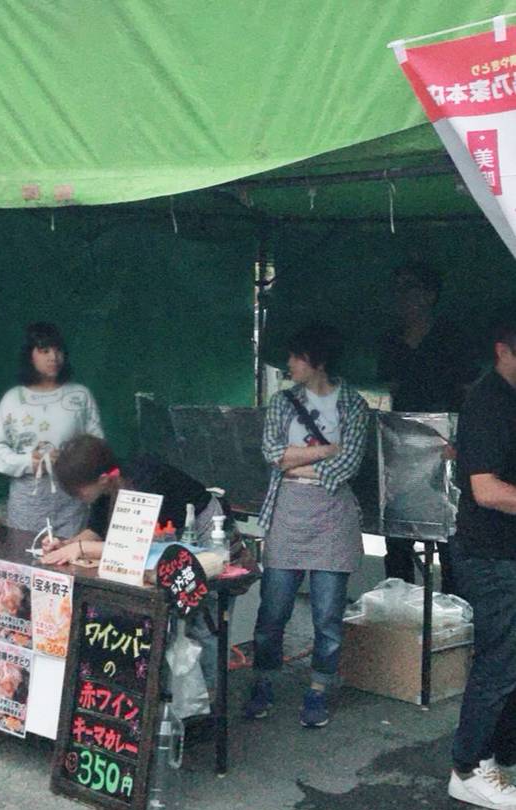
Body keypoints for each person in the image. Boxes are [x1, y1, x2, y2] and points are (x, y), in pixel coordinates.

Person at [245, 321, 369, 728]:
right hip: (287, 512)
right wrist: (327, 450)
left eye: (296, 357)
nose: (290, 364)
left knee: (328, 616)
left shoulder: (353, 404)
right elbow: (273, 454)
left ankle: (319, 688)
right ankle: (263, 680)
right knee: (273, 610)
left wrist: (297, 460)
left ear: (317, 360)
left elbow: (348, 465)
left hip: (332, 516)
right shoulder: (282, 402)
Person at [40, 434, 235, 691]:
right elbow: (96, 531)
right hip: (167, 545)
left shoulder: (145, 480)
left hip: (203, 535)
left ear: (102, 479)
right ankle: (164, 691)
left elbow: (132, 548)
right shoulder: (106, 484)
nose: (75, 497)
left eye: (77, 491)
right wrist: (67, 545)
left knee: (202, 620)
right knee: (172, 624)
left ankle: (207, 695)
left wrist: (80, 548)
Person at [447, 313, 516, 810]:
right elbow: (486, 490)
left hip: (506, 551)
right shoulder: (488, 402)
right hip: (489, 554)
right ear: (502, 351)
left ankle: (499, 755)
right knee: (499, 660)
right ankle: (467, 768)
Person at [377, 262, 480, 593]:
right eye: (397, 289)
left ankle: (453, 610)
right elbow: (392, 390)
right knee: (397, 537)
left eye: (409, 288)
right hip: (402, 448)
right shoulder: (391, 339)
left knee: (450, 536)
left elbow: (468, 393)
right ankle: (398, 607)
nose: (401, 297)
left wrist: (461, 441)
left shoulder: (453, 337)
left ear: (429, 295)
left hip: (446, 445)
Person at [0, 323, 103, 537]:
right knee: (23, 551)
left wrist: (70, 459)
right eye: (44, 351)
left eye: (58, 350)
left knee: (67, 552)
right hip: (27, 498)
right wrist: (27, 462)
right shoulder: (13, 399)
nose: (53, 357)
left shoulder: (79, 396)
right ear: (29, 355)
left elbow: (96, 445)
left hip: (71, 496)